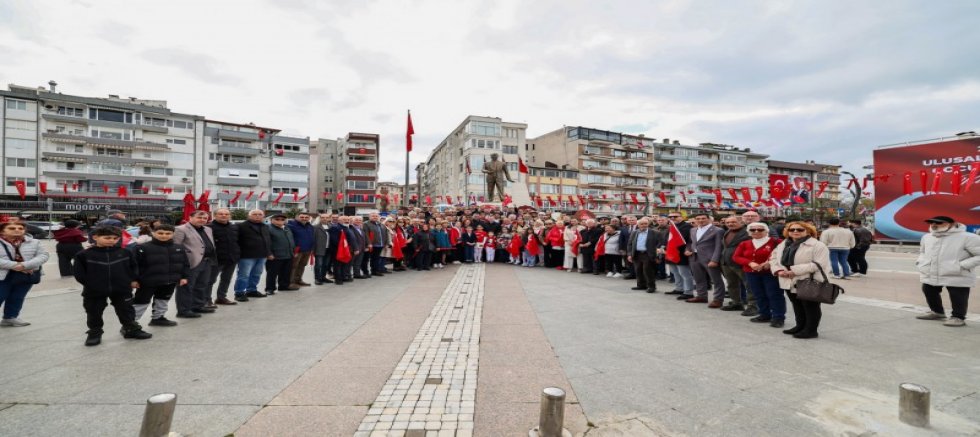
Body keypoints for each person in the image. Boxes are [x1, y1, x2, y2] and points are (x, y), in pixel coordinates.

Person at [74, 226, 150, 346]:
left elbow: (133, 267)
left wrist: (132, 279)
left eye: (115, 238)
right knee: (94, 312)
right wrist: (92, 284)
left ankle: (131, 329)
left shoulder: (125, 252)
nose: (111, 240)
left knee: (126, 310)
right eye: (107, 237)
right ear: (95, 237)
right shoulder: (84, 255)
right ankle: (95, 333)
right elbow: (79, 274)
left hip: (122, 289)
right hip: (94, 291)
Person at [769, 221, 831, 339]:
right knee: (797, 304)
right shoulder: (784, 244)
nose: (795, 232)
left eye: (800, 230)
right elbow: (773, 258)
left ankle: (811, 330)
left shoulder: (817, 245)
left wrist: (793, 271)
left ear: (808, 231)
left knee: (810, 306)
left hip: (808, 280)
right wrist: (778, 271)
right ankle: (800, 326)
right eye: (792, 230)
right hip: (787, 279)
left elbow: (818, 264)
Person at [915, 216, 980, 327]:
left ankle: (958, 317)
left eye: (939, 223)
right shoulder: (927, 237)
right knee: (928, 289)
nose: (934, 224)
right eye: (932, 222)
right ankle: (937, 312)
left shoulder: (968, 237)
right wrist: (921, 262)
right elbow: (923, 252)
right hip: (932, 272)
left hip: (958, 273)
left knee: (957, 294)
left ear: (952, 224)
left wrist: (961, 266)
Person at [131, 224, 189, 327]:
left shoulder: (178, 248)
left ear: (173, 234)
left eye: (168, 233)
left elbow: (184, 263)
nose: (164, 236)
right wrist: (134, 279)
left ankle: (158, 318)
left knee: (163, 300)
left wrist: (184, 277)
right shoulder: (142, 248)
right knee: (141, 302)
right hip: (147, 281)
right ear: (153, 233)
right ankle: (130, 324)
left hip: (169, 281)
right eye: (160, 233)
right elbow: (133, 265)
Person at [733, 222, 785, 327]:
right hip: (751, 273)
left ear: (766, 231)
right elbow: (736, 257)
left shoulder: (777, 242)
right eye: (753, 230)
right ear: (749, 232)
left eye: (760, 229)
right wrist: (749, 263)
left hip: (770, 273)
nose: (756, 231)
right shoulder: (745, 243)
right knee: (758, 294)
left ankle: (778, 317)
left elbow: (783, 255)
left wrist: (769, 263)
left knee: (774, 295)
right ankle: (764, 314)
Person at [0, 222, 49, 327]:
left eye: (20, 228)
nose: (17, 230)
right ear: (2, 231)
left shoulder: (34, 242)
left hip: (26, 275)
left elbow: (43, 255)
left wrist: (24, 265)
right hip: (3, 275)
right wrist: (16, 266)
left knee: (17, 297)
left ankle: (10, 317)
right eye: (12, 228)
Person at [173, 211, 217, 318]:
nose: (202, 219)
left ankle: (198, 305)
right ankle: (183, 310)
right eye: (199, 217)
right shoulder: (180, 229)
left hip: (207, 261)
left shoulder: (208, 229)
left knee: (201, 285)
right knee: (186, 287)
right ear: (190, 217)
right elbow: (176, 247)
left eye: (205, 218)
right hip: (190, 262)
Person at [686, 213, 726, 307]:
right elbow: (690, 242)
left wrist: (715, 260)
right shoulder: (693, 229)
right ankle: (701, 296)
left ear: (709, 219)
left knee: (716, 280)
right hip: (694, 257)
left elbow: (719, 246)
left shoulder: (718, 230)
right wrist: (688, 249)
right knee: (698, 279)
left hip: (710, 259)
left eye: (703, 218)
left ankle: (718, 299)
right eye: (698, 218)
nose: (700, 220)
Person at [234, 209, 272, 302]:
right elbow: (235, 241)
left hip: (262, 255)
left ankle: (252, 290)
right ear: (249, 216)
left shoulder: (265, 226)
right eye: (255, 214)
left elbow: (267, 241)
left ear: (263, 216)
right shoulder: (240, 226)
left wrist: (269, 253)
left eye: (260, 214)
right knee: (244, 275)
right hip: (246, 256)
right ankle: (239, 293)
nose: (257, 216)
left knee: (256, 274)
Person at [719, 216, 754, 314]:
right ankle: (736, 303)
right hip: (726, 263)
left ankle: (753, 306)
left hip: (741, 263)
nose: (730, 224)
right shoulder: (727, 232)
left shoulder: (748, 232)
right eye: (728, 222)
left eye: (733, 222)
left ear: (741, 222)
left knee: (749, 286)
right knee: (731, 285)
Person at [207, 208, 240, 305]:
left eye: (226, 214)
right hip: (216, 259)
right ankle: (206, 300)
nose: (224, 215)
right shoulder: (208, 228)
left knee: (226, 279)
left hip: (231, 258)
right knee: (210, 280)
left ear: (230, 216)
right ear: (215, 215)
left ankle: (221, 298)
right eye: (220, 214)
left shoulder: (234, 227)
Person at [627, 218, 665, 293]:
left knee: (648, 271)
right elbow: (630, 244)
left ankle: (651, 286)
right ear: (638, 225)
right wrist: (629, 254)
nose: (644, 225)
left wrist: (658, 255)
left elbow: (661, 244)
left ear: (648, 224)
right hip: (637, 254)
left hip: (648, 254)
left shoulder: (655, 232)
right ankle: (641, 285)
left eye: (645, 224)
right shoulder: (634, 232)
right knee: (638, 270)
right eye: (642, 224)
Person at [665, 212, 696, 299]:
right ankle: (679, 288)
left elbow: (688, 240)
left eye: (675, 216)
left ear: (681, 217)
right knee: (675, 273)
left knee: (685, 274)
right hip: (671, 253)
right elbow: (667, 239)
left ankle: (688, 292)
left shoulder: (687, 227)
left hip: (682, 254)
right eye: (670, 217)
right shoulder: (671, 227)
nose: (672, 218)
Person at [266, 214, 297, 294]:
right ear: (272, 220)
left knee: (286, 272)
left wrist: (293, 251)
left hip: (288, 254)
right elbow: (266, 243)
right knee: (272, 273)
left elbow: (291, 240)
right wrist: (269, 254)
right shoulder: (268, 229)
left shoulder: (287, 228)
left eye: (282, 219)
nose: (280, 220)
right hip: (275, 255)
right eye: (277, 219)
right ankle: (270, 289)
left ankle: (283, 286)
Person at [287, 212, 315, 287]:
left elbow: (312, 237)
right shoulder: (291, 225)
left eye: (306, 217)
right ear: (297, 217)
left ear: (309, 218)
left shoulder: (310, 226)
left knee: (302, 265)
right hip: (297, 250)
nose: (304, 218)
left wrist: (312, 248)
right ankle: (290, 282)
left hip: (307, 250)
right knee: (293, 266)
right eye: (302, 217)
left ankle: (298, 280)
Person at [329, 216, 357, 285]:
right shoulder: (335, 227)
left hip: (346, 250)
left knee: (344, 264)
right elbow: (334, 240)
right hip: (338, 250)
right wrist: (344, 246)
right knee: (337, 265)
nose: (347, 221)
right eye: (344, 219)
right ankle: (338, 279)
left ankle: (343, 277)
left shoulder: (348, 227)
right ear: (339, 221)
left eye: (347, 219)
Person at [313, 212, 333, 285]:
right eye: (323, 217)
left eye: (326, 217)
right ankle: (317, 278)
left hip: (329, 249)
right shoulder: (315, 227)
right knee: (319, 265)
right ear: (320, 218)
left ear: (329, 218)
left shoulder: (331, 226)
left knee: (326, 264)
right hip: (319, 249)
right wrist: (313, 250)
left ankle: (323, 277)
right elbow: (313, 239)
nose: (325, 219)